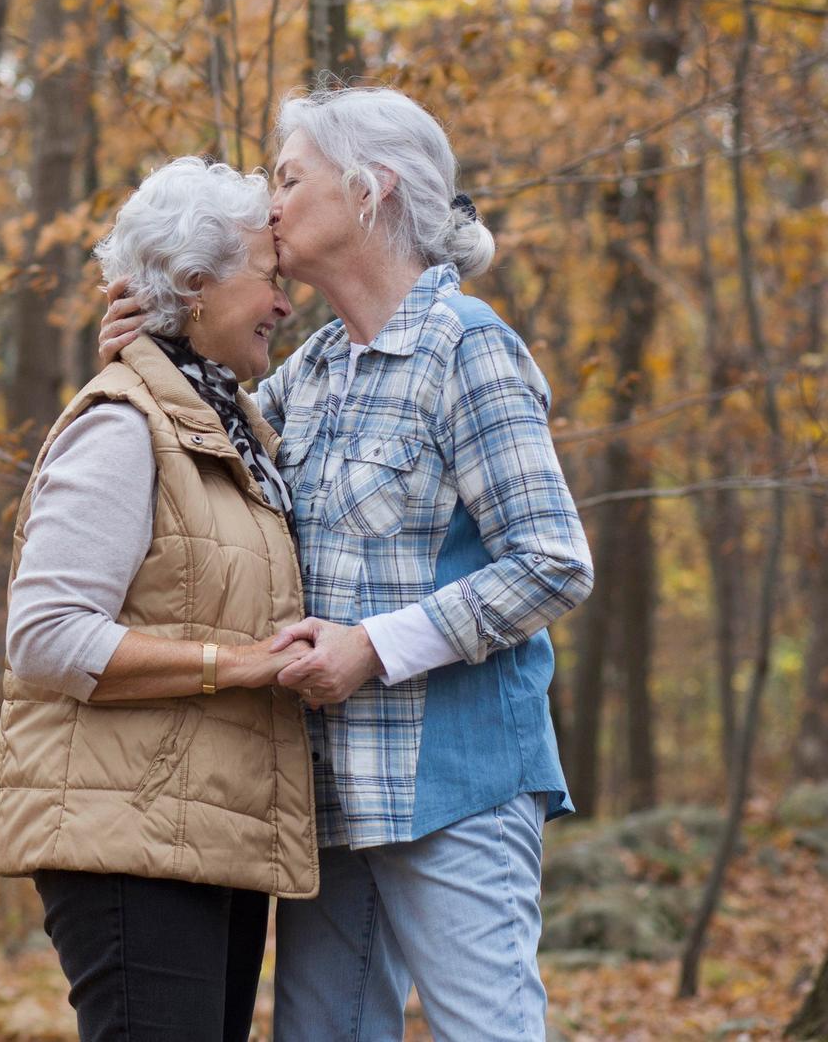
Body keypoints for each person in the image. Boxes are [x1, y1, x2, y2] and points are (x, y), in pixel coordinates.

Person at [99, 87, 596, 1041]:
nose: (271, 204)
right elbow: (198, 457)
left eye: (288, 178)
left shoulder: (468, 348)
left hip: (460, 780)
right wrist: (146, 342)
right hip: (329, 792)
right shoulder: (315, 370)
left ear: (371, 190)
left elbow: (552, 560)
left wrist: (374, 647)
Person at [0, 156, 320, 1042]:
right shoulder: (121, 426)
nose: (286, 302)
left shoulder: (227, 426)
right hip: (129, 836)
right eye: (268, 276)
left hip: (206, 829)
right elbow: (49, 638)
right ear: (195, 284)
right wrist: (245, 664)